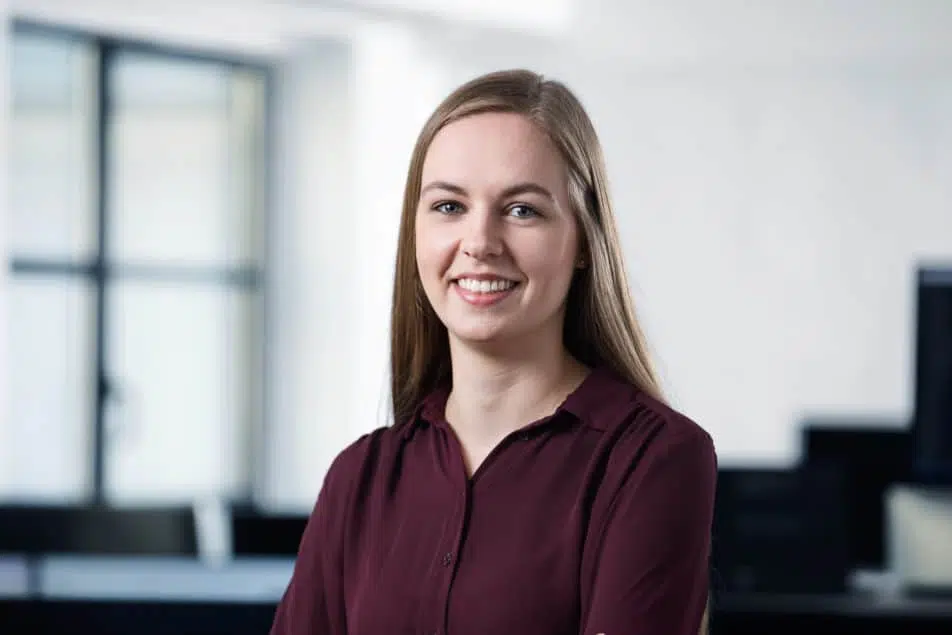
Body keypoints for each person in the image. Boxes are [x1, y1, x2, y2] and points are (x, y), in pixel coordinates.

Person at [270, 69, 716, 635]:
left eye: (522, 209)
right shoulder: (360, 477)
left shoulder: (653, 459)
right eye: (449, 207)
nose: (479, 243)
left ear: (584, 241)